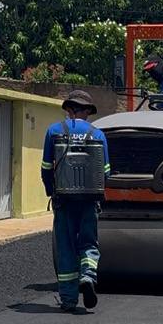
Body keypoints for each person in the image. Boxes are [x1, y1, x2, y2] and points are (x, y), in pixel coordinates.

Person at [41, 90, 110, 312]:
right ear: (87, 111)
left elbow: (46, 169)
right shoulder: (98, 135)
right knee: (89, 242)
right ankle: (88, 276)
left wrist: (52, 191)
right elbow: (106, 172)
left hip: (63, 200)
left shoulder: (54, 131)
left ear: (69, 109)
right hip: (89, 201)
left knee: (66, 247)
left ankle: (69, 300)